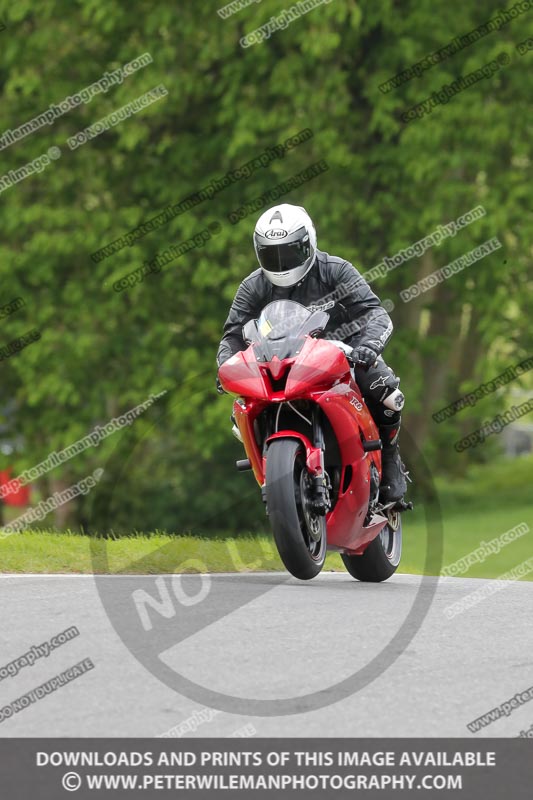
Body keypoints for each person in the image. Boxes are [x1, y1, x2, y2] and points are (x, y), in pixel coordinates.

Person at [216, 203, 407, 503]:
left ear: (309, 244)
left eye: (289, 252)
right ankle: (271, 470)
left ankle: (391, 458)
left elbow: (375, 313)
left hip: (342, 357)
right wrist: (225, 366)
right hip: (280, 364)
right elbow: (232, 335)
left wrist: (368, 346)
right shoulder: (252, 286)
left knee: (383, 389)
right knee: (240, 410)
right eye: (271, 254)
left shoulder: (336, 271)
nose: (281, 262)